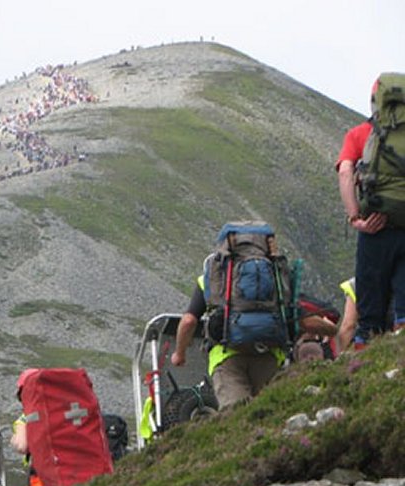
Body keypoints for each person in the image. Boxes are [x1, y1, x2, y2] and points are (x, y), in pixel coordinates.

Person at [171, 228, 336, 409]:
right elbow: (303, 320)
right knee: (268, 415)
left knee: (235, 415)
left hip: (226, 357)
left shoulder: (213, 279)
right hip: (269, 355)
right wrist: (335, 331)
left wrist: (179, 354)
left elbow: (188, 321)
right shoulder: (277, 277)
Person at [336, 80, 405, 347]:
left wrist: (356, 218)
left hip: (375, 230)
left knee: (369, 317)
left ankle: (363, 370)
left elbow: (345, 173)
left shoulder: (361, 134)